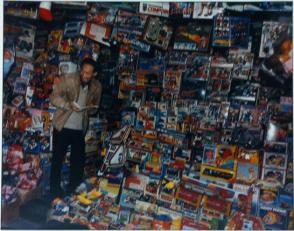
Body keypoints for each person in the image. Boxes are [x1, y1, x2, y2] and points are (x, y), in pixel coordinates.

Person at [49, 58, 102, 197]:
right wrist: (68, 105)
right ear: (80, 70)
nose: (85, 75)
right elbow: (53, 97)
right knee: (57, 159)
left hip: (79, 129)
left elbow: (94, 108)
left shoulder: (97, 86)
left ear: (94, 74)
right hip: (63, 126)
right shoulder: (68, 79)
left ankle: (74, 191)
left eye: (89, 73)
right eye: (83, 72)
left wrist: (91, 109)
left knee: (78, 162)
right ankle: (54, 191)